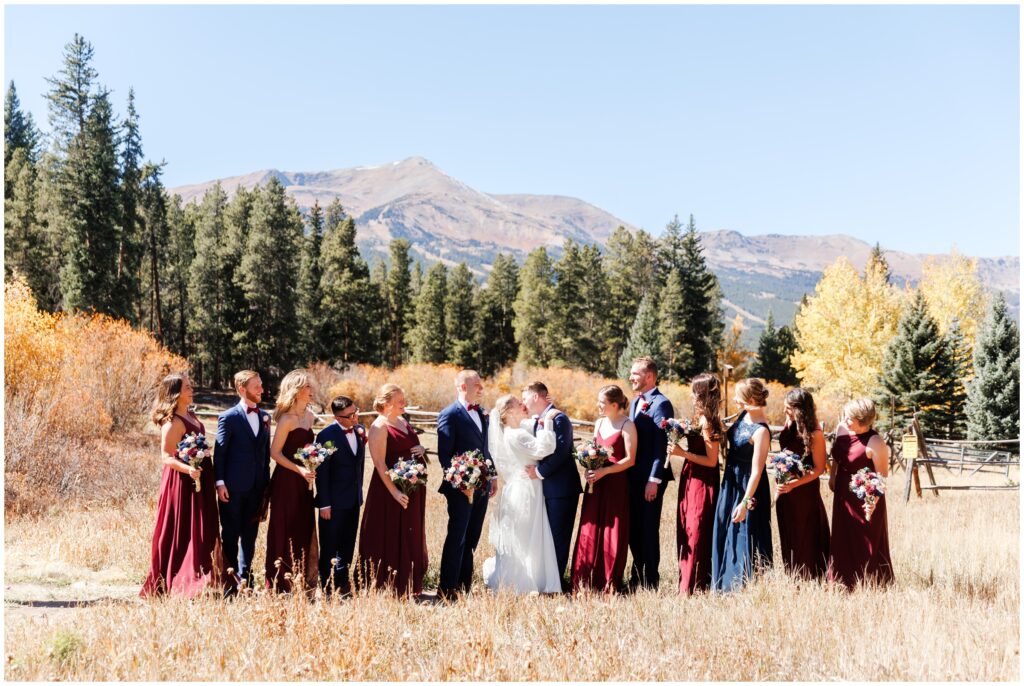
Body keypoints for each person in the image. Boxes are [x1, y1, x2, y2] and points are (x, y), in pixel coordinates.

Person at [141, 373, 222, 597]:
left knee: (202, 525)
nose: (191, 389)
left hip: (200, 478)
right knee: (182, 526)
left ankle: (203, 572)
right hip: (181, 481)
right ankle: (180, 576)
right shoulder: (173, 422)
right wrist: (189, 469)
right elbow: (166, 456)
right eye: (187, 387)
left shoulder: (192, 415)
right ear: (175, 393)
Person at [482, 394, 562, 594]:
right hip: (527, 489)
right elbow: (544, 449)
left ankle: (529, 576)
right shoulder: (516, 435)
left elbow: (529, 428)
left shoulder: (513, 431)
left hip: (521, 486)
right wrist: (548, 423)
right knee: (526, 535)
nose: (523, 405)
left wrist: (537, 419)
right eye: (519, 404)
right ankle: (523, 581)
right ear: (510, 411)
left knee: (523, 534)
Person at [357, 384, 429, 596]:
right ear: (386, 403)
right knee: (389, 533)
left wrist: (422, 449)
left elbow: (410, 446)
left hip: (412, 487)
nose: (404, 404)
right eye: (400, 401)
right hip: (389, 491)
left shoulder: (403, 422)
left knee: (410, 532)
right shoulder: (379, 427)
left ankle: (408, 583)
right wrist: (395, 492)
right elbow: (380, 464)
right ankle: (386, 584)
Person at [436, 370, 495, 601]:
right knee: (457, 537)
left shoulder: (481, 413)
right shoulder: (449, 414)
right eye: (477, 385)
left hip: (481, 486)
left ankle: (464, 587)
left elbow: (485, 449)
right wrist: (461, 483)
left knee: (472, 538)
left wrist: (492, 477)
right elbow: (445, 455)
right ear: (462, 386)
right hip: (459, 488)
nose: (481, 389)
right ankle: (447, 588)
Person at [570, 385, 635, 593]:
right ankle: (584, 580)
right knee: (590, 527)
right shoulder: (598, 423)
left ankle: (607, 581)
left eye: (602, 403)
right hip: (595, 484)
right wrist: (589, 468)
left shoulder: (627, 425)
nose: (598, 406)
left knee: (611, 529)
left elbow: (630, 459)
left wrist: (605, 472)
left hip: (615, 483)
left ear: (615, 405)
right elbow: (594, 451)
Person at [711, 378, 773, 592]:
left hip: (750, 486)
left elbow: (757, 471)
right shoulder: (743, 416)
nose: (735, 399)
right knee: (726, 528)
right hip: (731, 481)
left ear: (750, 399)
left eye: (739, 396)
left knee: (744, 532)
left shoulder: (761, 431)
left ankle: (741, 587)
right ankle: (722, 583)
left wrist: (745, 502)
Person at [214, 370, 272, 596]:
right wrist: (220, 483)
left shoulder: (264, 416)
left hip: (258, 488)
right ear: (242, 389)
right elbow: (219, 454)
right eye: (256, 386)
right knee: (230, 533)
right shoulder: (228, 417)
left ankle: (246, 580)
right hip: (233, 487)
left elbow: (265, 454)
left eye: (261, 385)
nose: (261, 389)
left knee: (251, 535)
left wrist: (266, 486)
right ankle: (229, 582)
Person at [828, 397, 894, 590]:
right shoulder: (842, 428)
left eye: (851, 419)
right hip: (842, 493)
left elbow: (881, 477)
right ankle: (841, 582)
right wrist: (833, 476)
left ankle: (869, 584)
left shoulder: (875, 442)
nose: (846, 421)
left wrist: (871, 502)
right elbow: (837, 456)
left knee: (865, 540)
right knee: (842, 537)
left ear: (863, 421)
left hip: (864, 497)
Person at [523, 381, 581, 591]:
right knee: (546, 536)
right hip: (545, 489)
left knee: (558, 536)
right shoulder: (537, 420)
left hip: (561, 489)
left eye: (525, 397)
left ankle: (555, 583)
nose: (524, 402)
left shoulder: (559, 418)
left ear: (536, 397)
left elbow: (562, 452)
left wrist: (538, 472)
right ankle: (546, 580)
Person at [264, 370, 318, 593]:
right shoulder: (286, 419)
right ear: (296, 391)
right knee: (285, 527)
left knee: (303, 526)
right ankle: (281, 581)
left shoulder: (310, 416)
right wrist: (299, 469)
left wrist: (314, 462)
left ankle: (301, 578)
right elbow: (275, 453)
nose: (311, 390)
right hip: (287, 480)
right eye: (307, 386)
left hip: (306, 482)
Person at [669, 373, 722, 595]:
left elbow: (712, 461)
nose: (690, 395)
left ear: (700, 394)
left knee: (697, 529)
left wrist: (683, 453)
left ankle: (695, 584)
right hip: (691, 477)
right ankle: (686, 582)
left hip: (703, 480)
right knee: (686, 527)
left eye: (693, 391)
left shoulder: (707, 422)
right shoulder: (697, 417)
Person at [625, 356, 674, 591]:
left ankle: (650, 581)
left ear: (649, 377)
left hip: (650, 479)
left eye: (636, 373)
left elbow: (661, 446)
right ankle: (637, 576)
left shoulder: (661, 404)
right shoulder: (636, 402)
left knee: (647, 528)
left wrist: (653, 480)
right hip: (632, 477)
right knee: (633, 529)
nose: (631, 377)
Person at [775, 388, 830, 580]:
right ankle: (792, 573)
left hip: (804, 490)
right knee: (788, 529)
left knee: (805, 532)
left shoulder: (815, 433)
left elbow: (819, 468)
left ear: (799, 409)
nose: (784, 411)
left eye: (788, 408)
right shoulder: (788, 424)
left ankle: (809, 574)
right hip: (785, 488)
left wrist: (795, 484)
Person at [315, 396, 366, 596]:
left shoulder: (359, 431)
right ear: (339, 417)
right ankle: (326, 587)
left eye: (356, 411)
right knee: (329, 546)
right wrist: (325, 504)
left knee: (347, 545)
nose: (356, 417)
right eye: (351, 415)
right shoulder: (327, 436)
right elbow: (323, 473)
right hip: (333, 503)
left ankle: (342, 585)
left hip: (353, 499)